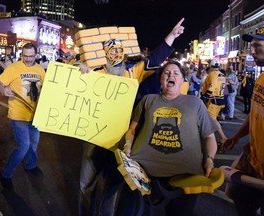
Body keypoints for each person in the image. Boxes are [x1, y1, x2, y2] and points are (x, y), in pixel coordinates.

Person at [78, 18, 186, 216]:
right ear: (104, 53)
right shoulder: (96, 71)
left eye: (119, 49)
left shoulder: (133, 72)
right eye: (111, 49)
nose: (116, 53)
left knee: (113, 181)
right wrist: (81, 69)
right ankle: (85, 212)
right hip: (93, 134)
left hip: (119, 136)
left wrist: (171, 36)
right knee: (87, 180)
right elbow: (75, 85)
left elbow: (154, 60)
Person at [122, 60, 218, 215]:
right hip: (144, 174)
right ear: (161, 79)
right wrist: (128, 145)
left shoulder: (195, 103)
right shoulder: (148, 100)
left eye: (175, 73)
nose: (170, 75)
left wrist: (209, 159)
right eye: (166, 73)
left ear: (182, 80)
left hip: (185, 177)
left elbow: (209, 136)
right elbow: (132, 129)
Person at [222, 26, 264, 216]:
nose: (252, 51)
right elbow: (256, 113)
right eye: (251, 45)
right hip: (253, 162)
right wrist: (237, 135)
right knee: (239, 201)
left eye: (258, 46)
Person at [0, 43, 45, 190]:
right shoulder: (14, 68)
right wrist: (3, 90)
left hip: (35, 115)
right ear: (21, 54)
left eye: (31, 56)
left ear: (36, 55)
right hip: (18, 114)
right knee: (23, 146)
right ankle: (6, 174)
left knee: (34, 143)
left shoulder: (40, 70)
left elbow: (45, 88)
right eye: (25, 56)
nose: (28, 59)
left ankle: (30, 165)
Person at [200, 58, 227, 145]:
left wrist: (204, 98)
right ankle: (220, 138)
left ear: (211, 66)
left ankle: (222, 138)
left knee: (211, 120)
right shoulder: (222, 74)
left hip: (213, 100)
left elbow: (211, 87)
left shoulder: (212, 74)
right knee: (212, 119)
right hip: (220, 99)